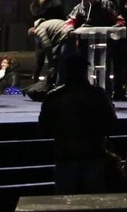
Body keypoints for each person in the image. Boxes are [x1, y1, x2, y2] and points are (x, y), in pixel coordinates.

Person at [38, 53, 120, 193]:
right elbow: (111, 123)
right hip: (92, 153)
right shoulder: (97, 94)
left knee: (66, 201)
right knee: (94, 199)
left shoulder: (54, 96)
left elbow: (44, 127)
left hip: (65, 154)